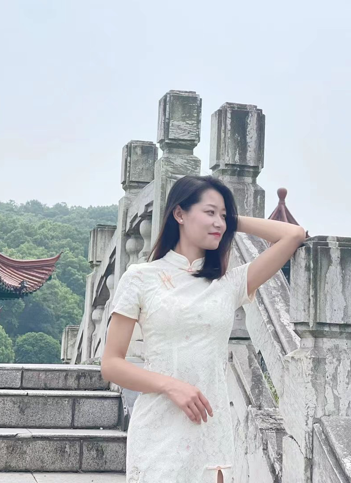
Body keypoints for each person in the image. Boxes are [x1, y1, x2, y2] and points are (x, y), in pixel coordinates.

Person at [101, 175, 306, 483]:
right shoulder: (140, 277)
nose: (219, 223)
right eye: (210, 212)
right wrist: (171, 385)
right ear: (179, 213)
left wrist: (232, 220)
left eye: (223, 215)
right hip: (159, 426)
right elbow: (111, 364)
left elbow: (293, 235)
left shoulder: (229, 283)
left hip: (210, 426)